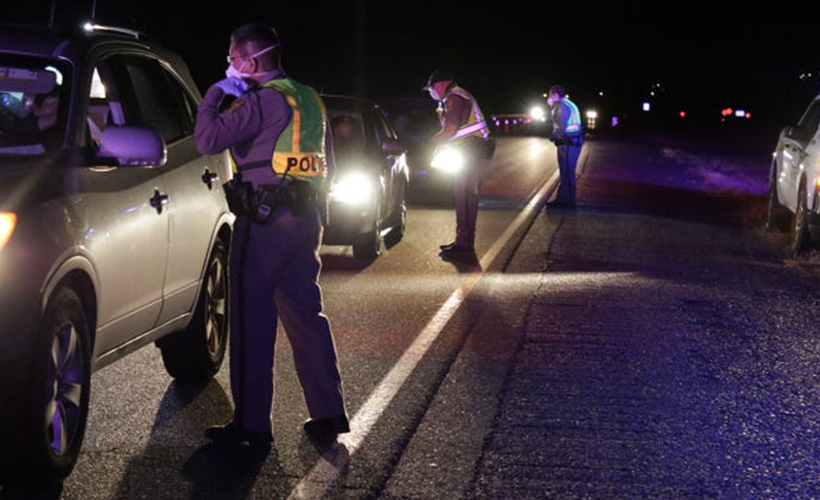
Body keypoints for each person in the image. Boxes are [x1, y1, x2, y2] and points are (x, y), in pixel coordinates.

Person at [195, 23, 349, 446]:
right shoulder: (309, 97)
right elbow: (327, 164)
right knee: (306, 313)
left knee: (251, 319)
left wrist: (215, 93)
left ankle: (251, 426)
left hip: (264, 220)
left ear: (251, 60)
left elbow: (207, 139)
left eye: (233, 57)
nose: (230, 64)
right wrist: (319, 212)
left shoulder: (262, 101)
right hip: (305, 217)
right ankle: (329, 412)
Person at [424, 70, 492, 262]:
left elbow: (450, 131)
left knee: (465, 198)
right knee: (463, 197)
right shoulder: (455, 97)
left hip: (471, 153)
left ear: (440, 84)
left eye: (431, 88)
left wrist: (426, 142)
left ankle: (465, 246)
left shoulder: (454, 98)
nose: (431, 92)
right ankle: (462, 242)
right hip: (470, 151)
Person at [547, 84, 584, 207]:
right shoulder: (569, 104)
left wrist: (553, 136)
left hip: (567, 143)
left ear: (555, 94)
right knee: (568, 172)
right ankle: (566, 199)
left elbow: (561, 126)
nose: (549, 97)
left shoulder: (561, 106)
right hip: (573, 141)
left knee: (566, 172)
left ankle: (565, 201)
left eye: (550, 94)